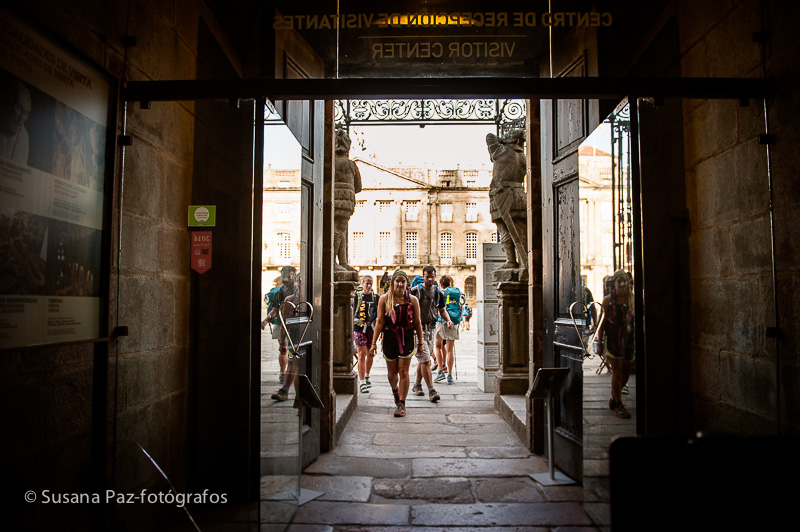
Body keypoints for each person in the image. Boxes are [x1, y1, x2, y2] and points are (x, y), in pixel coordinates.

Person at [370, 270, 424, 417]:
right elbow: (379, 322)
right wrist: (373, 343)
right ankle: (395, 391)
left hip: (407, 338)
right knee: (392, 373)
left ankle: (402, 404)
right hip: (389, 338)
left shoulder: (413, 300)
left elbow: (417, 323)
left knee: (403, 371)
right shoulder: (384, 299)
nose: (400, 284)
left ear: (406, 284)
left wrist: (420, 343)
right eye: (397, 281)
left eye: (403, 281)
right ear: (392, 283)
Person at [409, 265, 454, 403]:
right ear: (423, 276)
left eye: (432, 277)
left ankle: (417, 385)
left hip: (431, 329)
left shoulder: (438, 293)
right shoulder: (415, 291)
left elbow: (442, 310)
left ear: (435, 276)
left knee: (424, 358)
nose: (429, 279)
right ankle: (431, 390)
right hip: (417, 330)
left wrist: (448, 320)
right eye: (427, 277)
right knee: (425, 359)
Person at [596, 269, 635, 418]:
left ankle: (614, 395)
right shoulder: (608, 300)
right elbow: (601, 323)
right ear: (614, 284)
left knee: (626, 372)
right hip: (613, 340)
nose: (623, 284)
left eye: (625, 281)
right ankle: (619, 404)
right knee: (617, 371)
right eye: (620, 281)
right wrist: (600, 343)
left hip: (628, 340)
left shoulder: (632, 299)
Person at [261, 266, 299, 401]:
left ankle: (292, 394)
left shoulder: (301, 292)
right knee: (292, 361)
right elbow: (278, 312)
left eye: (289, 276)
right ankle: (286, 390)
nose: (286, 279)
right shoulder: (282, 294)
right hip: (291, 331)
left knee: (296, 363)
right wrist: (266, 320)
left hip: (302, 331)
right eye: (284, 277)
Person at [354, 275, 378, 393]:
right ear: (362, 283)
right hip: (359, 328)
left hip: (371, 329)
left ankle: (367, 375)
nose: (368, 286)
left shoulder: (375, 298)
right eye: (366, 283)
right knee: (362, 354)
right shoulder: (356, 297)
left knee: (371, 353)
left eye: (370, 284)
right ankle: (362, 381)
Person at [434, 275, 460, 385]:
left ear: (441, 284)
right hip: (453, 320)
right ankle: (449, 375)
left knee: (438, 346)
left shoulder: (440, 292)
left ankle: (440, 371)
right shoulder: (456, 292)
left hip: (441, 320)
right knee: (450, 350)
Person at [0, 77, 31, 165]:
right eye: (19, 109)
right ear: (9, 105)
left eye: (26, 113)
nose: (21, 118)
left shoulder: (24, 137)